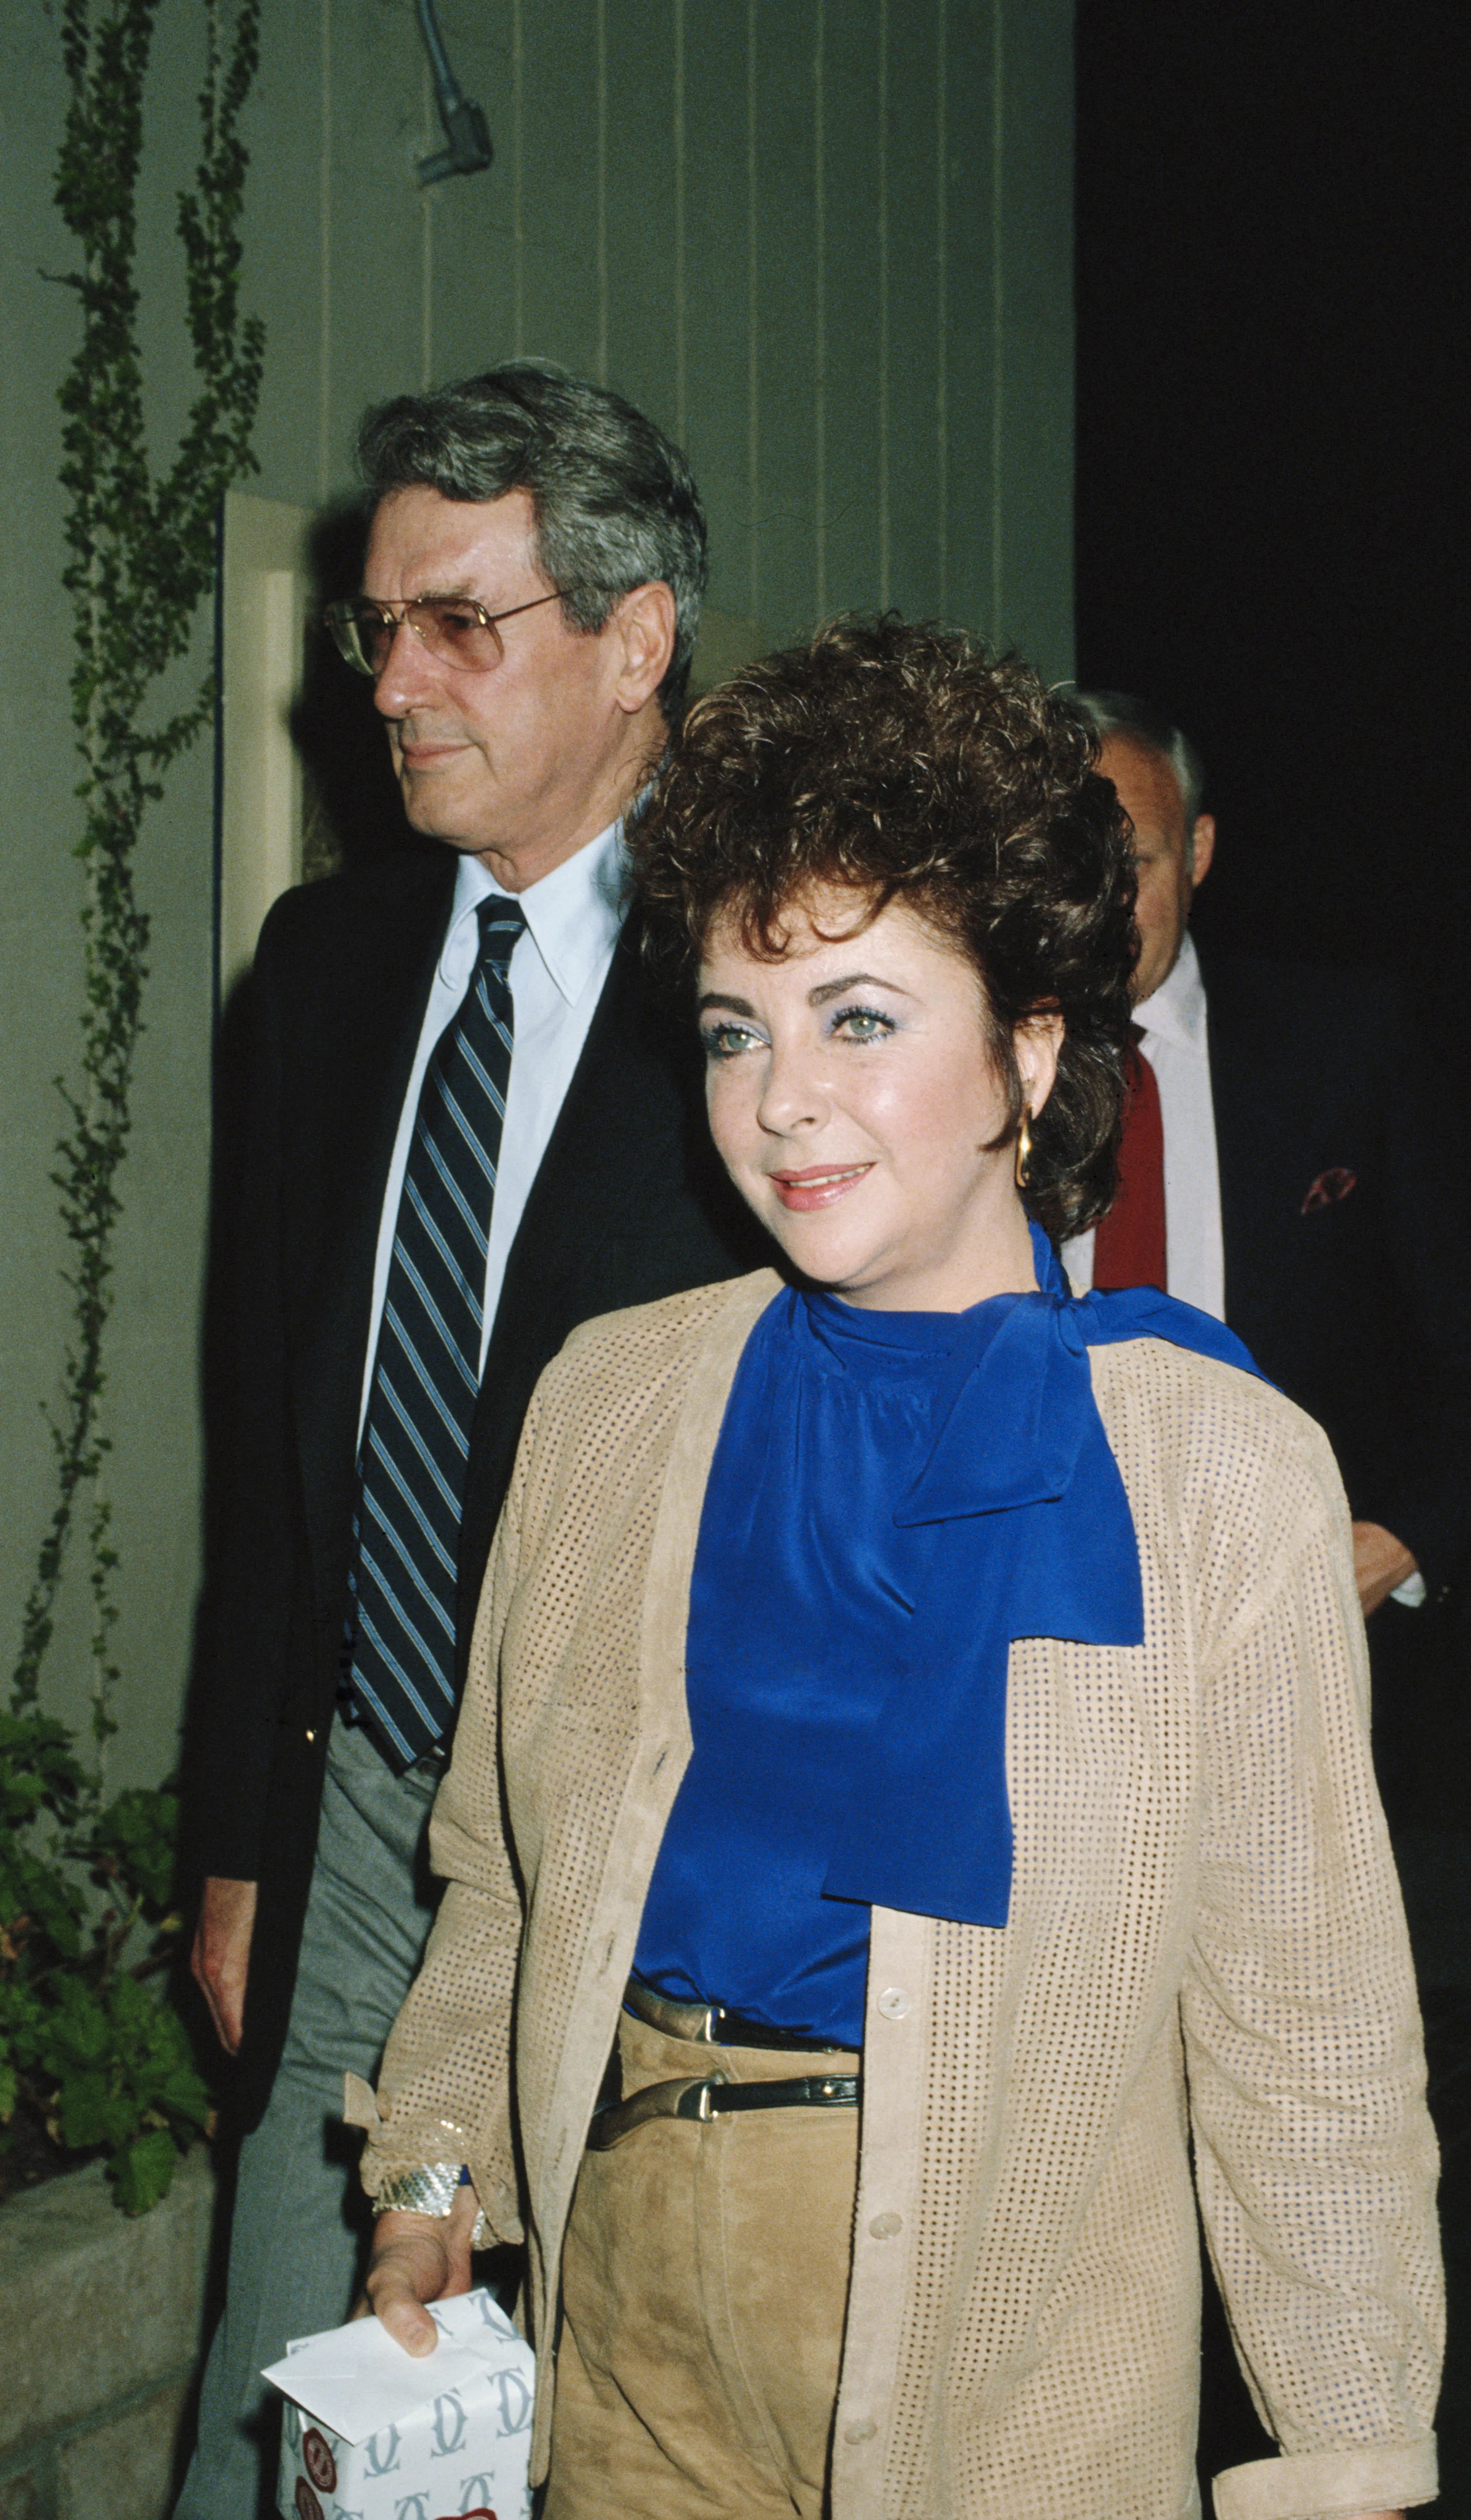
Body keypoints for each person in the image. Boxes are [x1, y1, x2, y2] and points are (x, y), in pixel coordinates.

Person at [357, 618, 1442, 2520]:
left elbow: (1309, 2038)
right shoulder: (611, 1402)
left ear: (1029, 1045)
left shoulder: (1211, 1468)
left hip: (994, 2351)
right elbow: (502, 1872)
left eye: (859, 1015)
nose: (782, 1098)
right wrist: (434, 2181)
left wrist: (1346, 2450)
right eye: (734, 1026)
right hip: (624, 2299)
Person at [173, 362, 767, 2520]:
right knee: (300, 2420)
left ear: (636, 641)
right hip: (355, 1813)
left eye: (461, 625)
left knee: (602, 2422)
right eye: (381, 627)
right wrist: (238, 1828)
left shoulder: (779, 968)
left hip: (651, 1837)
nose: (397, 683)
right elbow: (275, 1443)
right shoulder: (322, 968)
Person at [1065, 690, 1471, 1642]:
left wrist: (1399, 1540)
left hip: (1290, 1633)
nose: (1100, 902)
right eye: (1071, 863)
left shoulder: (1344, 1048)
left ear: (1196, 853)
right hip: (1034, 1627)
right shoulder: (962, 1069)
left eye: (1137, 861)